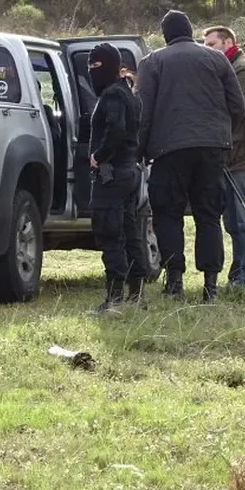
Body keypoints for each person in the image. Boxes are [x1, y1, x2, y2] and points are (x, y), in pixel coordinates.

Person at [136, 10, 245, 302]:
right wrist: (221, 136)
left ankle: (175, 281)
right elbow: (238, 106)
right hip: (212, 149)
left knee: (167, 215)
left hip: (169, 151)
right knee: (208, 216)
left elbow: (143, 113)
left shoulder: (153, 62)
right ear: (191, 30)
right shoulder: (218, 59)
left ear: (165, 35)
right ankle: (210, 285)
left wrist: (139, 151)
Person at [203, 26, 245, 292]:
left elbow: (235, 110)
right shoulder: (225, 67)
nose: (208, 49)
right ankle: (239, 276)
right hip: (231, 156)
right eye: (205, 45)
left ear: (229, 42)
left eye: (212, 44)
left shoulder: (244, 68)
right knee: (233, 221)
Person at [87, 43, 148, 311]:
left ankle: (114, 298)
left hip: (113, 173)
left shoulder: (112, 95)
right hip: (130, 171)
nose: (92, 71)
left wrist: (98, 156)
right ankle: (136, 293)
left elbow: (116, 130)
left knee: (110, 231)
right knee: (129, 230)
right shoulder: (128, 93)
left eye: (96, 65)